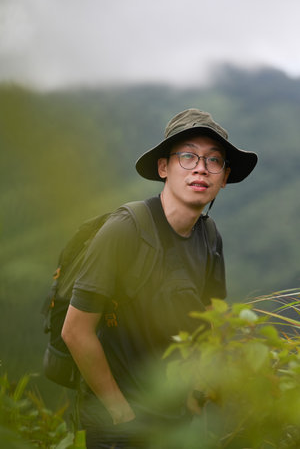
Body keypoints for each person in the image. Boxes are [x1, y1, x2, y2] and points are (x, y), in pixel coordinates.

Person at [61, 108, 258, 448]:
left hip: (176, 423)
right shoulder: (126, 229)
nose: (201, 167)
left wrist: (196, 396)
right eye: (188, 156)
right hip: (118, 427)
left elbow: (211, 324)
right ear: (163, 167)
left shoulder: (209, 236)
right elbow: (76, 331)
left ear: (224, 177)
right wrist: (121, 412)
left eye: (214, 160)